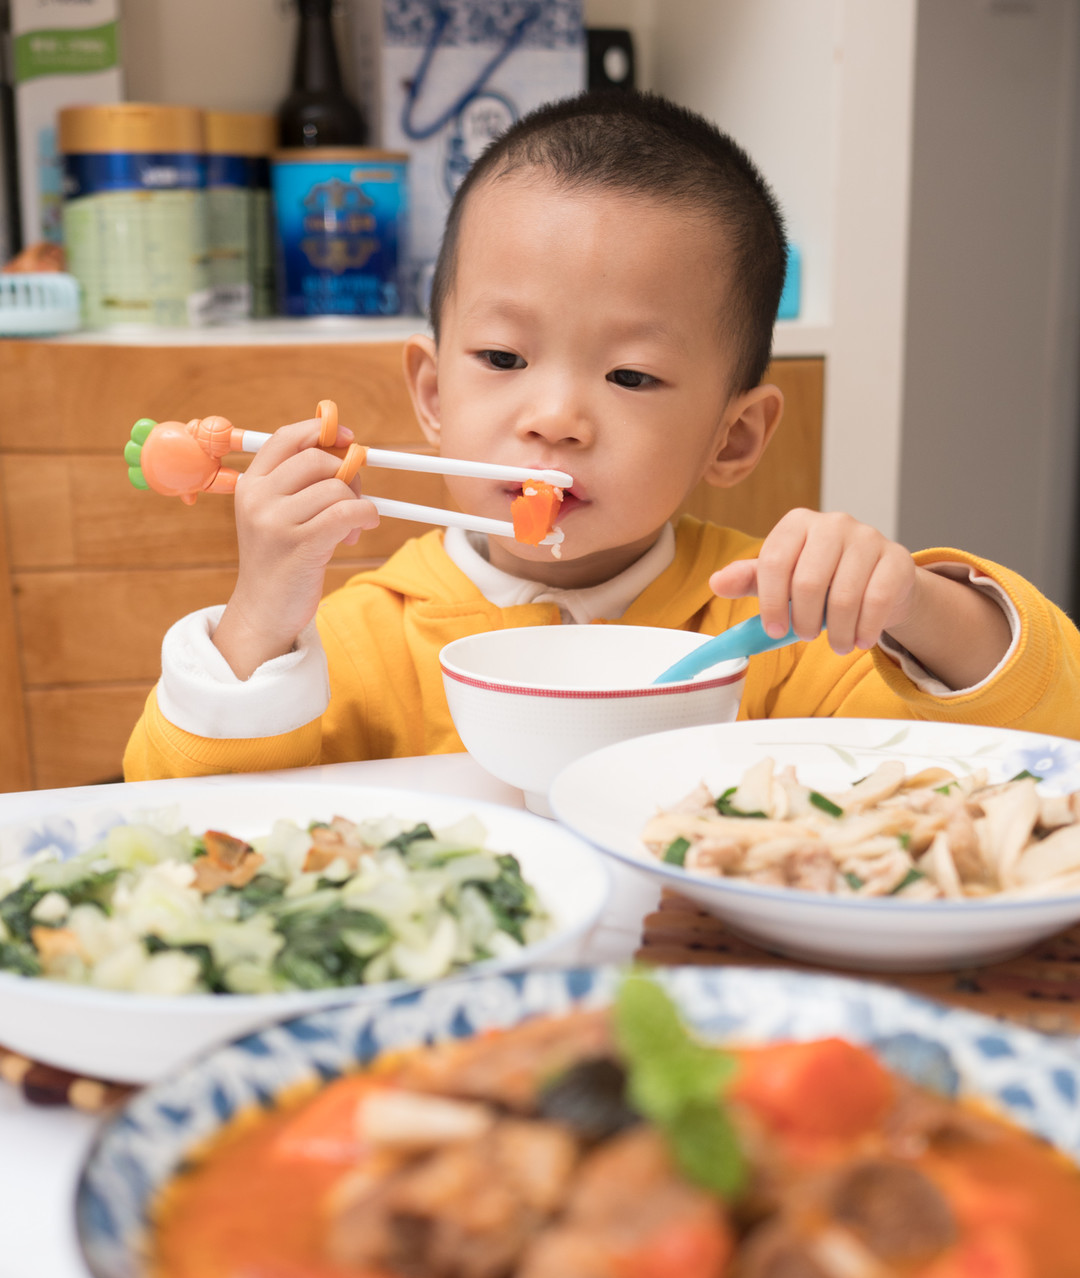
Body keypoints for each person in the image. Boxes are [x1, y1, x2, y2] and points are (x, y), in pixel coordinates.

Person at [124, 91, 1080, 781]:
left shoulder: (773, 631)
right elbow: (180, 821)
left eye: (630, 376)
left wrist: (912, 602)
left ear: (734, 437)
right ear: (430, 394)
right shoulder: (365, 632)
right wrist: (258, 620)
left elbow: (1044, 743)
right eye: (501, 359)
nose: (554, 418)